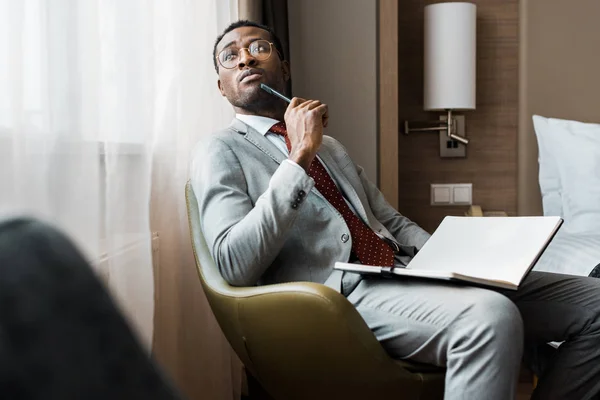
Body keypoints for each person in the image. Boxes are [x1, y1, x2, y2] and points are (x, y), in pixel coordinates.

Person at [191, 20, 600, 399]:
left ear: (285, 65)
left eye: (259, 47)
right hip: (334, 297)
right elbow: (233, 262)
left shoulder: (330, 147)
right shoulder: (220, 150)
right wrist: (297, 157)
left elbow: (388, 221)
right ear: (221, 87)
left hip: (407, 271)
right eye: (230, 55)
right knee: (490, 317)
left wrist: (449, 257)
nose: (245, 57)